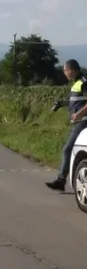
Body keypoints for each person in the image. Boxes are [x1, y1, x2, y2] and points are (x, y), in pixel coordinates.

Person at [46, 59, 87, 191]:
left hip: (83, 121)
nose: (64, 73)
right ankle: (62, 179)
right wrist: (61, 104)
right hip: (77, 123)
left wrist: (79, 114)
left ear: (70, 70)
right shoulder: (76, 83)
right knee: (71, 150)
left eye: (65, 70)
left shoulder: (83, 83)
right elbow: (75, 100)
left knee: (67, 149)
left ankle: (61, 181)